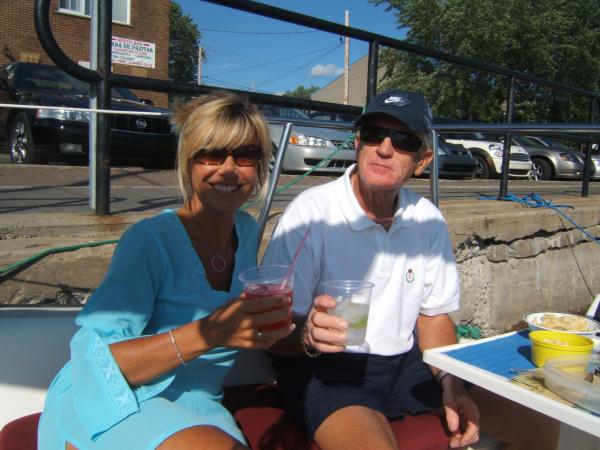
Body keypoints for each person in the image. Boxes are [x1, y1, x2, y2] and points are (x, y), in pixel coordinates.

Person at [37, 91, 294, 450]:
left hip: (198, 404)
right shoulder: (149, 241)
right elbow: (97, 362)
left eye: (246, 154)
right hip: (114, 397)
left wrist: (303, 332)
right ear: (189, 162)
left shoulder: (247, 231)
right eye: (212, 153)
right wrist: (211, 332)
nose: (230, 168)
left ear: (261, 165)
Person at [262, 89, 480, 449]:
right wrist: (308, 334)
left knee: (532, 414)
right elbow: (271, 333)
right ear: (358, 141)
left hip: (406, 363)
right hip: (328, 369)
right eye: (375, 133)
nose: (384, 148)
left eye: (403, 139)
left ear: (423, 160)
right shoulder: (311, 213)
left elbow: (433, 316)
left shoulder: (427, 219)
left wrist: (450, 382)